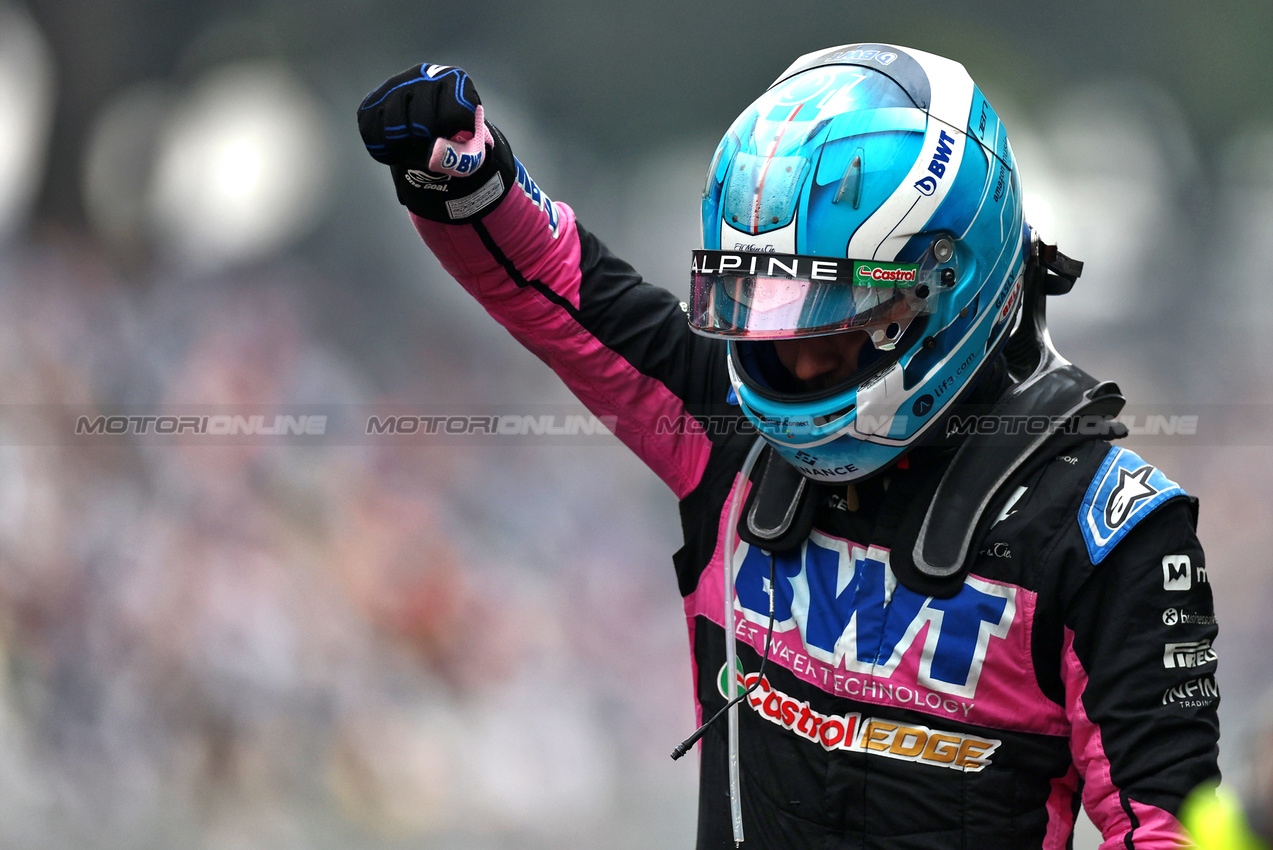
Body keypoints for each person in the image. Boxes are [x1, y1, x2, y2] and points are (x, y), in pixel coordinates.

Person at [357, 44, 1220, 849]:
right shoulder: (730, 439)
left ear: (945, 290)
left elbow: (1162, 826)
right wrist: (462, 181)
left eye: (832, 324)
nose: (795, 360)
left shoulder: (1113, 535)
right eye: (766, 315)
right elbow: (567, 292)